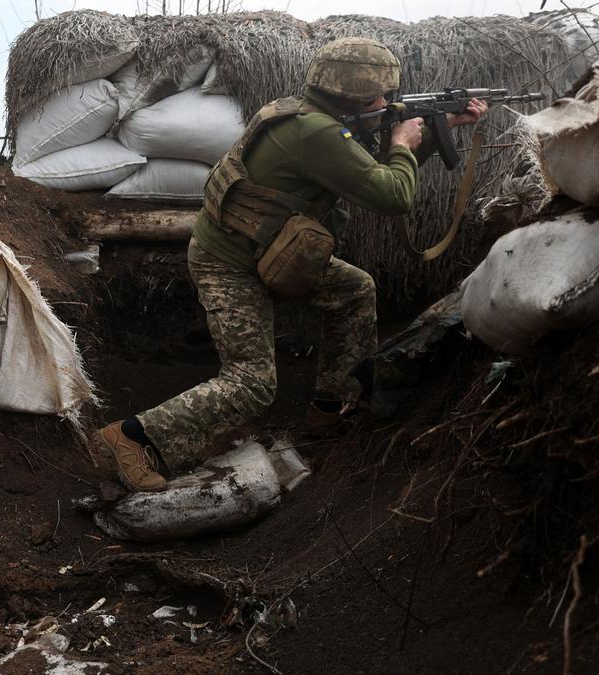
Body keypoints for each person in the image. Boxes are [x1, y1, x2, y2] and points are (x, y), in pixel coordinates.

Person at [98, 37, 489, 492]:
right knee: (252, 384)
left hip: (273, 251)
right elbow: (391, 195)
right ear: (355, 96)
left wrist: (440, 130)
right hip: (229, 262)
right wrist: (403, 145)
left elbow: (364, 175)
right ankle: (132, 438)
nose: (386, 104)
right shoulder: (318, 134)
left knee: (354, 289)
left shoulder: (307, 116)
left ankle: (330, 407)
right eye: (379, 97)